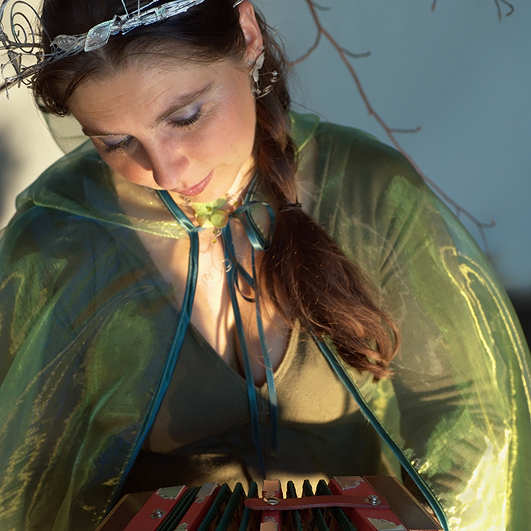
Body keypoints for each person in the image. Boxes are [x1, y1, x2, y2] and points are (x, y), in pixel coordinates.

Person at [0, 0, 530, 529]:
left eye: (185, 116)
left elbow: (472, 419)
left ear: (248, 35)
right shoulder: (58, 240)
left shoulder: (367, 192)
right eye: (115, 142)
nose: (165, 171)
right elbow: (26, 479)